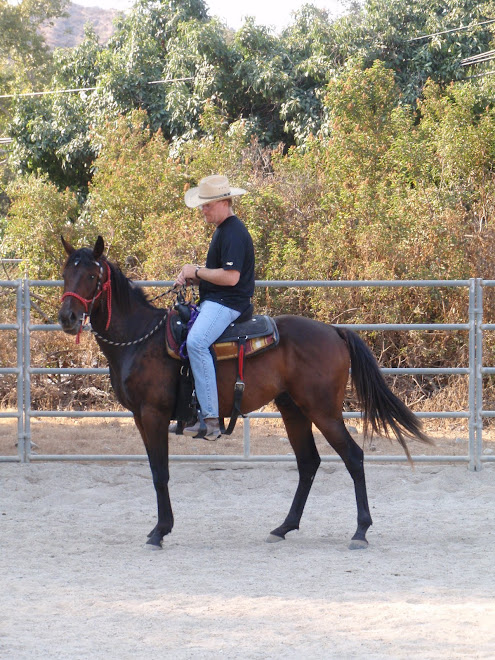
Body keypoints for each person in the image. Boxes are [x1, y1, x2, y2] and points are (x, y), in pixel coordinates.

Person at [174, 174, 255, 440]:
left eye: (207, 204)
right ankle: (192, 410)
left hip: (228, 303)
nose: (203, 210)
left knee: (196, 343)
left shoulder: (233, 233)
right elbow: (218, 274)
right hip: (219, 300)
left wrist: (196, 270)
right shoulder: (225, 231)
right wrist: (193, 275)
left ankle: (210, 419)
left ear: (223, 202)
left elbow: (231, 278)